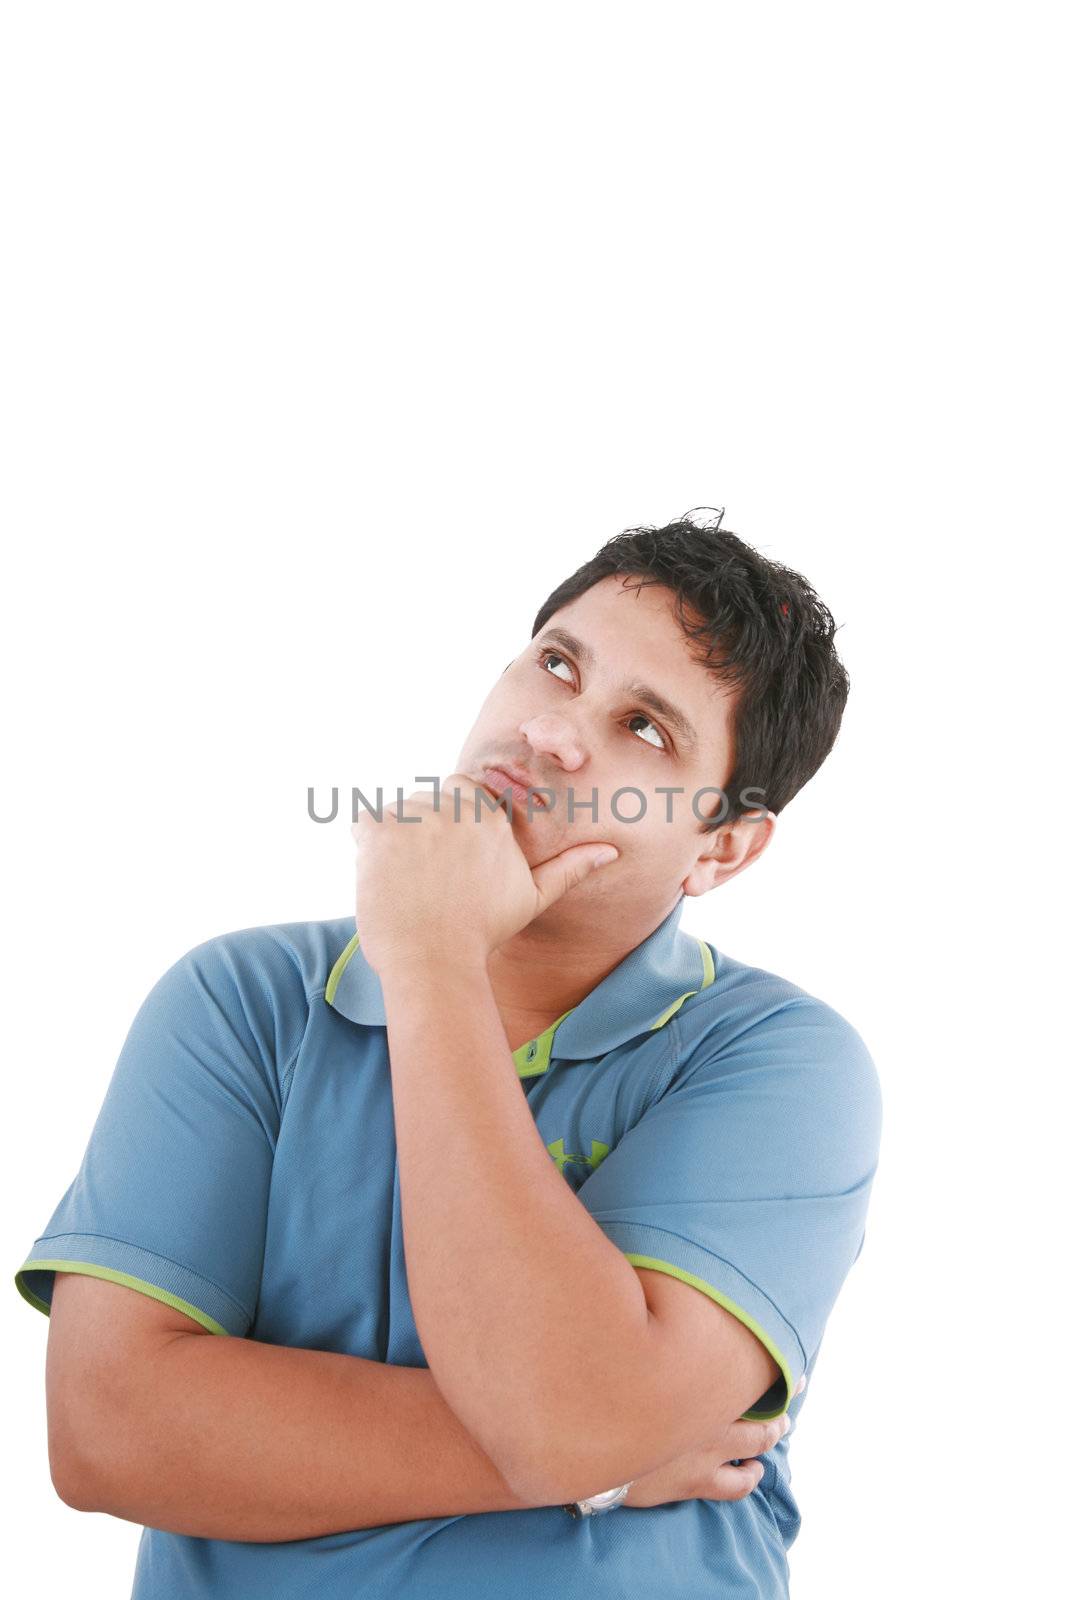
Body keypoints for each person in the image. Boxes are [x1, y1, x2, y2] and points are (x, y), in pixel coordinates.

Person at [15, 510, 882, 1598]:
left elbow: (567, 1414)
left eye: (644, 729)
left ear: (722, 844)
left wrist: (428, 960)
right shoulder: (239, 1003)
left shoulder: (780, 1063)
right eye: (555, 663)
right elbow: (107, 1433)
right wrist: (603, 1461)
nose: (555, 733)